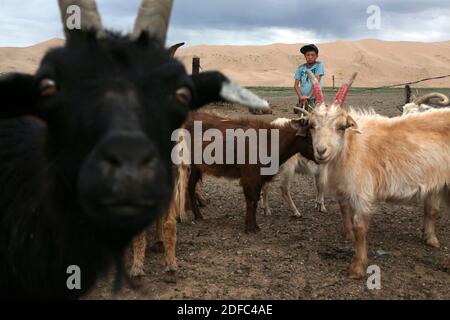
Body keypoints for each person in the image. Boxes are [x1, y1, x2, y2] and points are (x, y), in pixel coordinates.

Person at [294, 44, 325, 113]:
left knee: (314, 120)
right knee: (302, 120)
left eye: (312, 55)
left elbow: (316, 83)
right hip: (302, 99)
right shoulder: (300, 68)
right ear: (305, 56)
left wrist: (309, 96)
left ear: (316, 56)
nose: (310, 57)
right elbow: (296, 85)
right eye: (307, 55)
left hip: (315, 99)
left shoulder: (319, 65)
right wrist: (301, 97)